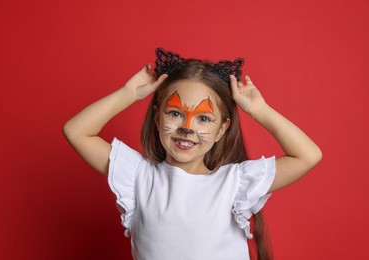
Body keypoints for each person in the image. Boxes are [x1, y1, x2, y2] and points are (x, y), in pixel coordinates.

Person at [63, 48, 322, 260]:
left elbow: (307, 156)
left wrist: (259, 110)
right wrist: (128, 94)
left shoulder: (234, 183)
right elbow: (76, 131)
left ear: (222, 129)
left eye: (204, 119)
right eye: (175, 113)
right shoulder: (138, 178)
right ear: (156, 117)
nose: (187, 128)